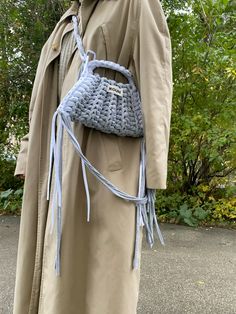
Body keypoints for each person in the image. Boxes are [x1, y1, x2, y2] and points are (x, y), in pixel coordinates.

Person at [13, 0, 173, 313]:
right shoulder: (68, 20)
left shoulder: (134, 4)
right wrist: (28, 153)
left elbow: (157, 80)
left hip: (104, 174)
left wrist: (155, 170)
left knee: (100, 285)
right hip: (54, 171)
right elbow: (43, 98)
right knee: (53, 277)